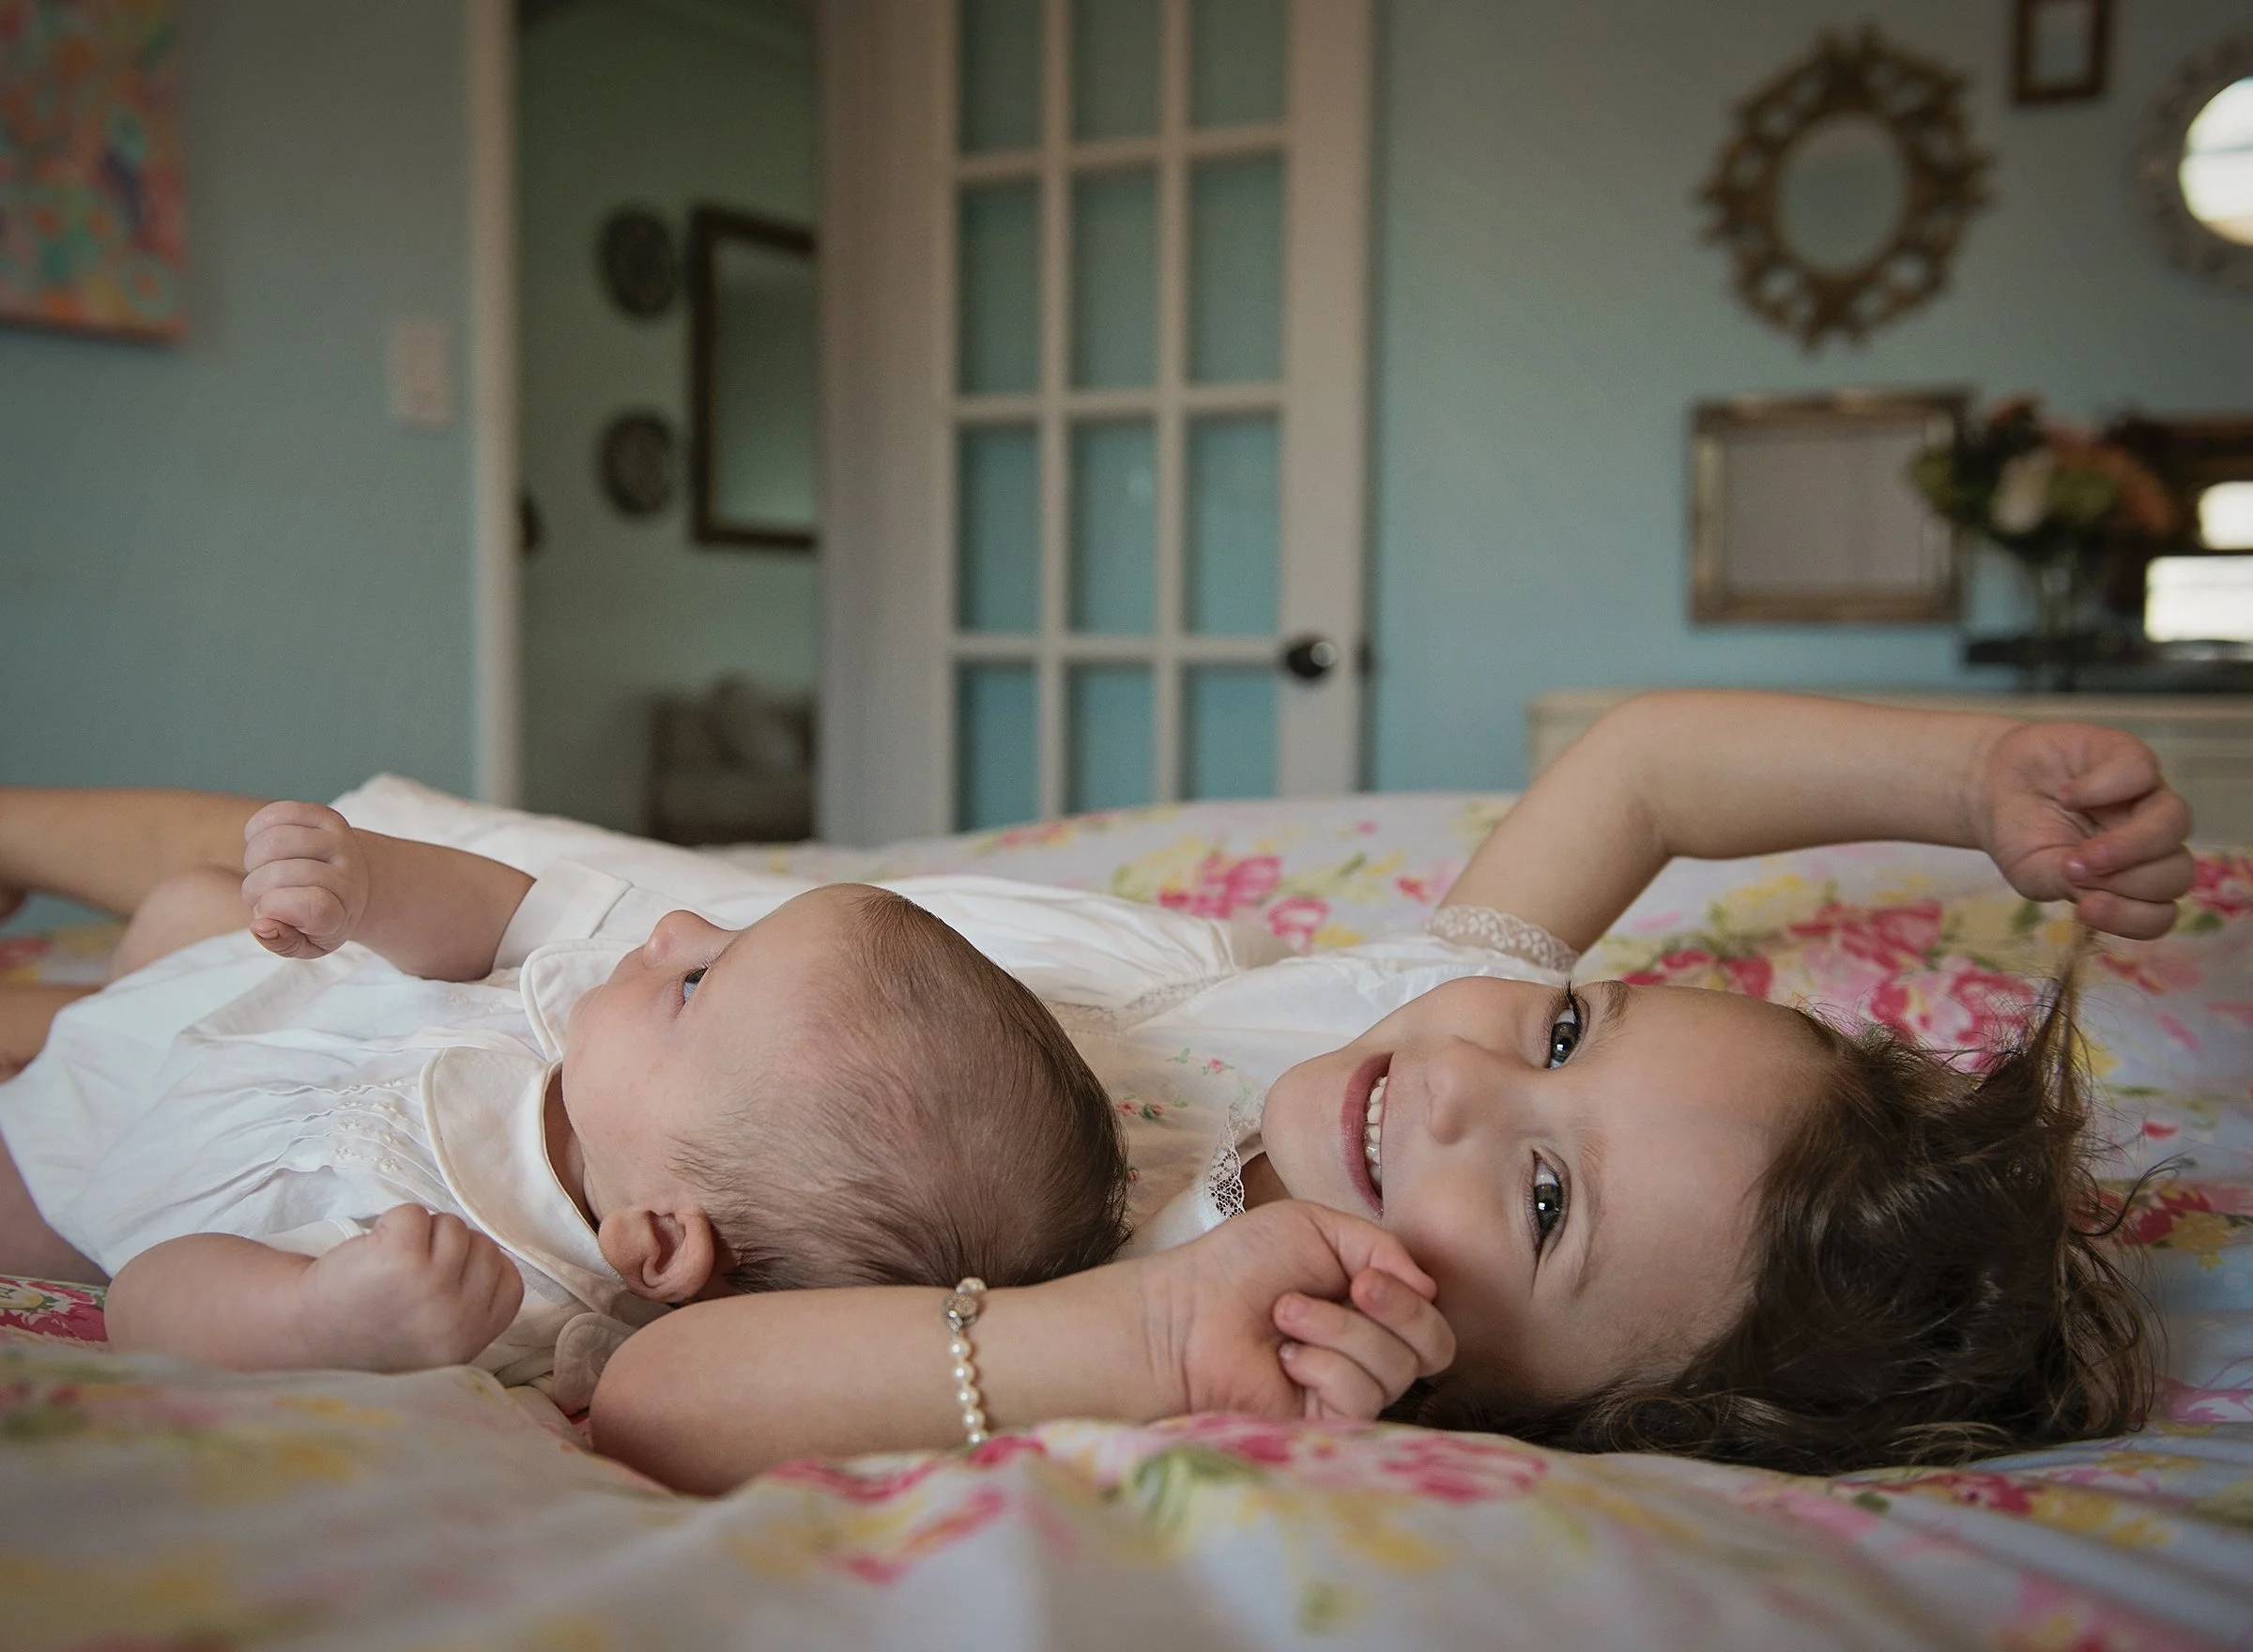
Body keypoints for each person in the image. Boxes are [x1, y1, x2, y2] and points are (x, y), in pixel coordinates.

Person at [583, 692, 2192, 1491]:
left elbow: (661, 1400)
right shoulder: (1404, 1004)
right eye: (1567, 1032)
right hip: (653, 959)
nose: (1463, 1087)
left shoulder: (1199, 1334)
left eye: (1546, 1199)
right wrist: (1965, 778)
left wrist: (1135, 1346)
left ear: (1519, 1411)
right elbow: (1637, 770)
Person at [0, 792, 1128, 1406]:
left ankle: (50, 1037)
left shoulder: (495, 1290)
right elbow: (505, 912)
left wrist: (322, 1321)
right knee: (192, 906)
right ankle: (64, 1012)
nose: (675, 929)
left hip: (97, 1153)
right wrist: (371, 880)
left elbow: (150, 1295)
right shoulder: (603, 1036)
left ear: (665, 1238)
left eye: (699, 978)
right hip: (232, 1008)